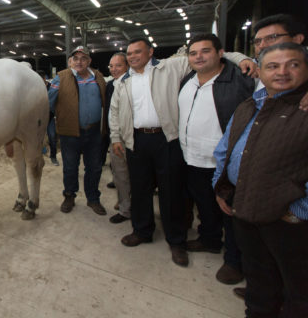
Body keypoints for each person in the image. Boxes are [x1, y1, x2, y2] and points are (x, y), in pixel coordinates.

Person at [109, 37, 255, 267]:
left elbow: (211, 58)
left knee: (171, 191)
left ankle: (176, 240)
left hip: (167, 138)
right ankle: (142, 230)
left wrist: (244, 58)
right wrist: (116, 136)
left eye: (138, 52)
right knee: (139, 189)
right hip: (136, 140)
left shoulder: (171, 66)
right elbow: (114, 111)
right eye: (129, 53)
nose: (133, 56)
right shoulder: (122, 82)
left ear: (150, 52)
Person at [213, 42, 308, 318]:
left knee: (297, 286)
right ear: (260, 71)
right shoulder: (250, 104)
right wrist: (221, 187)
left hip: (287, 217)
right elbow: (226, 147)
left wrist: (299, 211)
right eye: (273, 66)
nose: (282, 72)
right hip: (244, 204)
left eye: (293, 64)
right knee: (258, 272)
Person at [178, 34, 253, 284]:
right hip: (192, 156)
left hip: (224, 161)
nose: (198, 56)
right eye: (193, 53)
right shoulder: (188, 80)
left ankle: (234, 261)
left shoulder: (240, 79)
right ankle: (209, 240)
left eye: (205, 51)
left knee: (230, 210)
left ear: (220, 53)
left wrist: (242, 58)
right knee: (205, 204)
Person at [48, 45, 107, 215]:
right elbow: (49, 103)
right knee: (70, 167)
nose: (79, 61)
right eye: (76, 58)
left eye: (83, 58)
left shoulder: (98, 76)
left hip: (94, 131)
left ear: (89, 61)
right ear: (70, 61)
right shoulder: (61, 77)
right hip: (70, 133)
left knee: (94, 167)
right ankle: (69, 196)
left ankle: (93, 199)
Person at [104, 52, 131, 224]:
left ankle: (135, 206)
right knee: (120, 174)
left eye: (118, 65)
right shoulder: (110, 86)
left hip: (133, 137)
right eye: (111, 66)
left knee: (136, 176)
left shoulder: (132, 83)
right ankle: (125, 208)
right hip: (116, 138)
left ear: (127, 66)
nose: (114, 69)